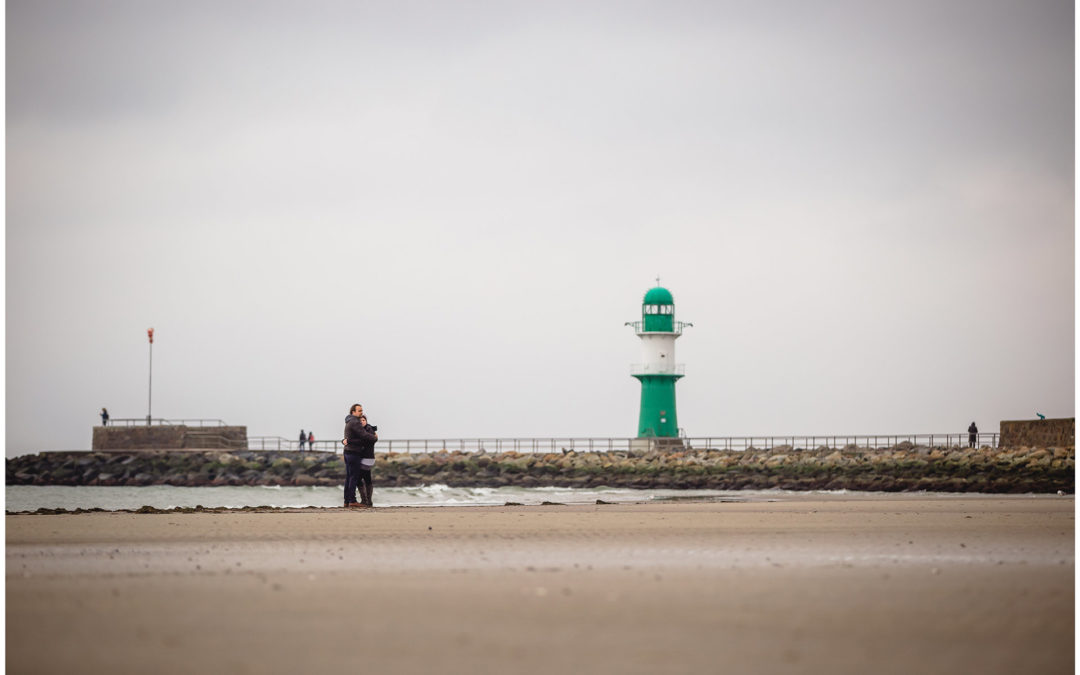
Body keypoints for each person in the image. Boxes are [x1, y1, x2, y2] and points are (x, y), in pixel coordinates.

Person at [342, 404, 378, 508]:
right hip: (353, 453)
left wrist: (347, 441)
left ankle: (347, 500)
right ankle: (352, 501)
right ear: (353, 412)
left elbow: (354, 437)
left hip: (348, 452)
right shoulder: (354, 422)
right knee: (353, 478)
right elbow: (364, 436)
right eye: (359, 410)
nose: (361, 412)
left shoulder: (349, 421)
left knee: (349, 478)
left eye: (362, 410)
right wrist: (375, 438)